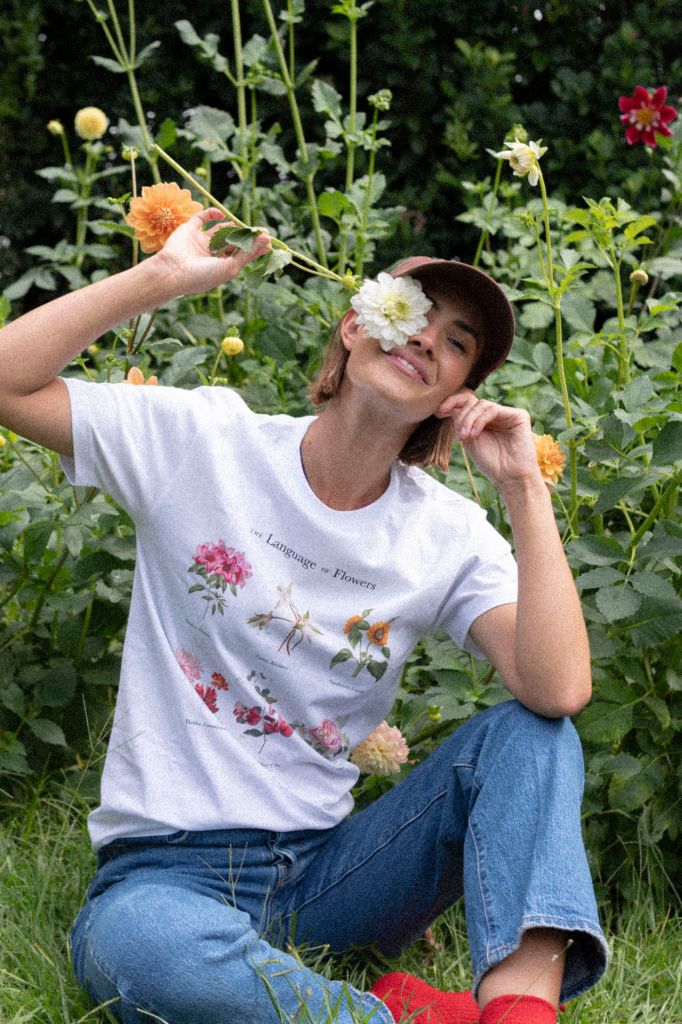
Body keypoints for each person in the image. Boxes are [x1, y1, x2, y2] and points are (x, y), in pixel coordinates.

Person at [0, 208, 608, 1024]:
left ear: (456, 393)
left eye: (457, 340)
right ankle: (397, 1019)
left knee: (535, 736)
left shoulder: (444, 532)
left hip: (334, 875)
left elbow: (560, 686)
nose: (427, 337)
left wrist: (524, 488)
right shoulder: (203, 442)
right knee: (135, 944)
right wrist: (160, 281)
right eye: (412, 310)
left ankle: (520, 1014)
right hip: (167, 873)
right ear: (356, 323)